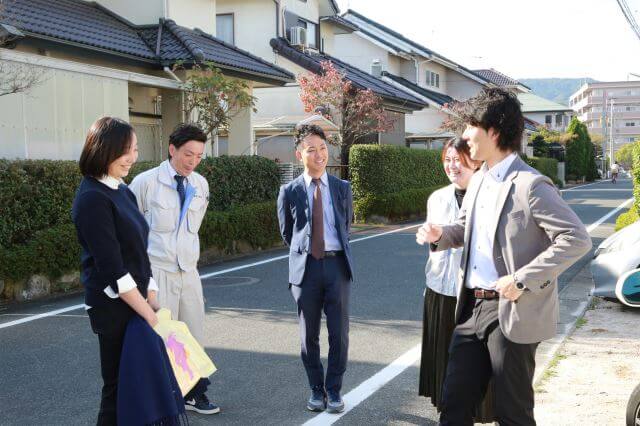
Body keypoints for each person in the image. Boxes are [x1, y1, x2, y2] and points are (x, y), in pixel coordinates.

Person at [417, 88, 592, 425]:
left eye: (471, 126)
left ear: (493, 131)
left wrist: (522, 279)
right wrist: (441, 235)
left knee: (512, 413)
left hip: (512, 310)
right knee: (453, 406)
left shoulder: (531, 185)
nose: (465, 135)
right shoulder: (480, 179)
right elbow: (466, 228)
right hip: (470, 309)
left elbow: (576, 238)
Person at [72, 117, 161, 425]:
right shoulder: (92, 198)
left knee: (141, 385)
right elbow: (113, 270)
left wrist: (152, 292)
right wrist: (148, 313)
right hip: (112, 308)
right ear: (103, 149)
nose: (132, 158)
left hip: (136, 301)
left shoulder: (122, 190)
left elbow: (139, 248)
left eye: (135, 149)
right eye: (126, 151)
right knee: (118, 389)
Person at [129, 123, 218, 415]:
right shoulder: (145, 183)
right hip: (156, 272)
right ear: (172, 150)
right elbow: (130, 233)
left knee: (192, 334)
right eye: (188, 154)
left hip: (188, 272)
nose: (193, 161)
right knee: (160, 336)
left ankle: (194, 394)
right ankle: (161, 399)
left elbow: (192, 231)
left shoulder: (200, 185)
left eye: (199, 156)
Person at [277, 124, 354, 414]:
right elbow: (287, 232)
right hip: (305, 269)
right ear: (300, 154)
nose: (319, 154)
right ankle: (315, 389)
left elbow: (345, 227)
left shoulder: (342, 188)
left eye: (322, 148)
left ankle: (334, 390)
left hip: (337, 267)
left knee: (339, 334)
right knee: (308, 335)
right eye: (311, 149)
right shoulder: (289, 191)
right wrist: (308, 250)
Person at [416, 138, 493, 423]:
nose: (452, 165)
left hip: (474, 294)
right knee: (442, 360)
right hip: (439, 289)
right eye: (447, 159)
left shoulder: (489, 195)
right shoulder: (437, 197)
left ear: (474, 160)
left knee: (474, 365)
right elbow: (434, 242)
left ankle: (477, 414)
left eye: (458, 158)